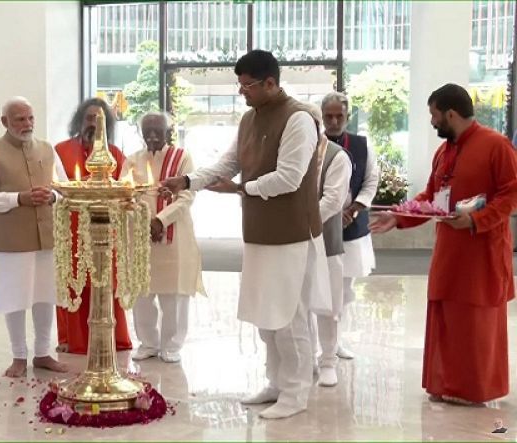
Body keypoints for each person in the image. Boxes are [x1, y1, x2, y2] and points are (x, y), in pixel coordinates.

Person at [162, 49, 329, 419]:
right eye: (240, 85)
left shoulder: (299, 119)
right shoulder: (250, 119)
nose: (242, 92)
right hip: (259, 232)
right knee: (267, 316)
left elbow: (289, 177)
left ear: (271, 82)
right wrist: (188, 181)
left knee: (290, 316)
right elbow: (229, 163)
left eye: (248, 85)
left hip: (292, 234)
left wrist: (241, 189)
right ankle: (276, 383)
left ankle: (296, 393)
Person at [371, 83, 517, 405]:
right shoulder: (444, 151)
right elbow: (431, 197)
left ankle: (474, 390)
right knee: (447, 316)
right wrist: (398, 216)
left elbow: (512, 193)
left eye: (434, 115)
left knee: (475, 320)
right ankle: (447, 384)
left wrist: (477, 220)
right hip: (449, 250)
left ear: (451, 114)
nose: (432, 121)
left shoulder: (496, 145)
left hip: (482, 251)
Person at [0, 96, 69, 378]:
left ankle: (43, 353)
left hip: (47, 237)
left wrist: (52, 196)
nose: (27, 124)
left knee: (45, 296)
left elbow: (65, 189)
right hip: (12, 241)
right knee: (15, 298)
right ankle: (18, 356)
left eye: (30, 118)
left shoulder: (47, 149)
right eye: (20, 119)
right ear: (5, 122)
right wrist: (19, 198)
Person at [120, 112, 204, 363]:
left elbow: (187, 196)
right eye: (148, 131)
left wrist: (161, 220)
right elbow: (124, 195)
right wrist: (145, 220)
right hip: (140, 234)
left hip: (174, 237)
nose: (153, 136)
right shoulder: (132, 160)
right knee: (142, 293)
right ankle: (148, 343)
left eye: (158, 131)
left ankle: (172, 345)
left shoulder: (182, 158)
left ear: (169, 132)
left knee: (173, 293)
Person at [53, 97, 132, 354]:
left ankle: (113, 338)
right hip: (71, 231)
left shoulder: (115, 155)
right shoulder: (61, 150)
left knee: (105, 281)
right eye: (89, 118)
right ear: (80, 120)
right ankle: (72, 339)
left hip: (105, 230)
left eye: (100, 120)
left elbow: (125, 190)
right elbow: (55, 187)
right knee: (73, 282)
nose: (94, 124)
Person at [321, 91, 380, 360]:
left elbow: (370, 181)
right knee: (318, 288)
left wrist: (354, 208)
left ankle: (335, 342)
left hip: (353, 228)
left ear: (348, 116)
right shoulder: (313, 144)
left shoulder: (361, 144)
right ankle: (318, 345)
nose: (334, 121)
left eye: (339, 116)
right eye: (329, 116)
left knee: (344, 290)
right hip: (321, 226)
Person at [305, 104, 352, 387]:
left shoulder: (337, 156)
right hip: (295, 244)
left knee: (329, 304)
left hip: (326, 241)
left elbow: (333, 200)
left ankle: (328, 361)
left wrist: (301, 225)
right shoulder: (290, 153)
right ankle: (307, 358)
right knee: (300, 305)